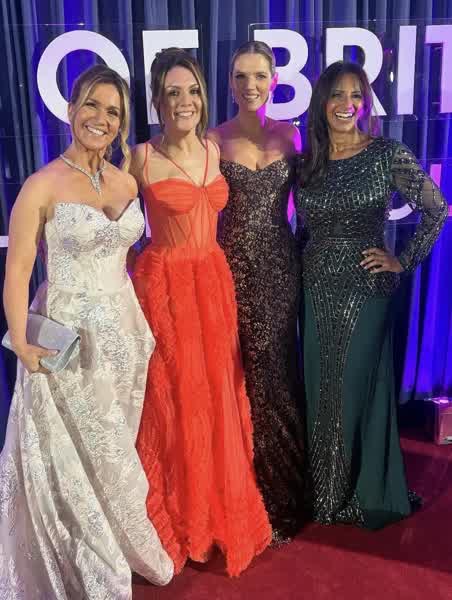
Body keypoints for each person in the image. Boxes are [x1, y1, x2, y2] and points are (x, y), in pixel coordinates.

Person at [0, 65, 173, 599]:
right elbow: (18, 270)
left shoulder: (126, 181)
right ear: (71, 109)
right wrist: (21, 342)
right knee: (72, 452)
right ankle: (88, 561)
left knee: (113, 446)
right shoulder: (42, 184)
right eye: (92, 105)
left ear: (122, 123)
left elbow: (126, 254)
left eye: (113, 111)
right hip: (66, 338)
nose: (101, 118)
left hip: (123, 337)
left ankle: (118, 536)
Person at [129, 48, 271, 577]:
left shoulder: (215, 149)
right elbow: (106, 222)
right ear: (157, 101)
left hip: (213, 283)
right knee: (175, 404)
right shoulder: (139, 158)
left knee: (216, 398)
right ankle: (181, 518)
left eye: (192, 91)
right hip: (165, 289)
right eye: (173, 92)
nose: (184, 101)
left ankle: (215, 517)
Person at [295, 61, 448, 529]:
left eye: (356, 95)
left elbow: (437, 208)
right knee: (321, 387)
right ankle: (324, 489)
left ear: (365, 103)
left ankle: (355, 489)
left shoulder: (386, 154)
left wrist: (403, 260)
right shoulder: (308, 160)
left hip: (365, 288)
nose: (347, 104)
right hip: (315, 288)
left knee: (352, 386)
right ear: (322, 101)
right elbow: (304, 231)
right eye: (337, 95)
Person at [208, 41, 305, 541]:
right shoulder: (213, 139)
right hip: (230, 271)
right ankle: (244, 493)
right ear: (229, 83)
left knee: (278, 374)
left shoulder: (291, 136)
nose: (251, 85)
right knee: (237, 378)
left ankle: (285, 492)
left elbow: (310, 203)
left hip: (280, 268)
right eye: (241, 76)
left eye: (259, 76)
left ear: (274, 81)